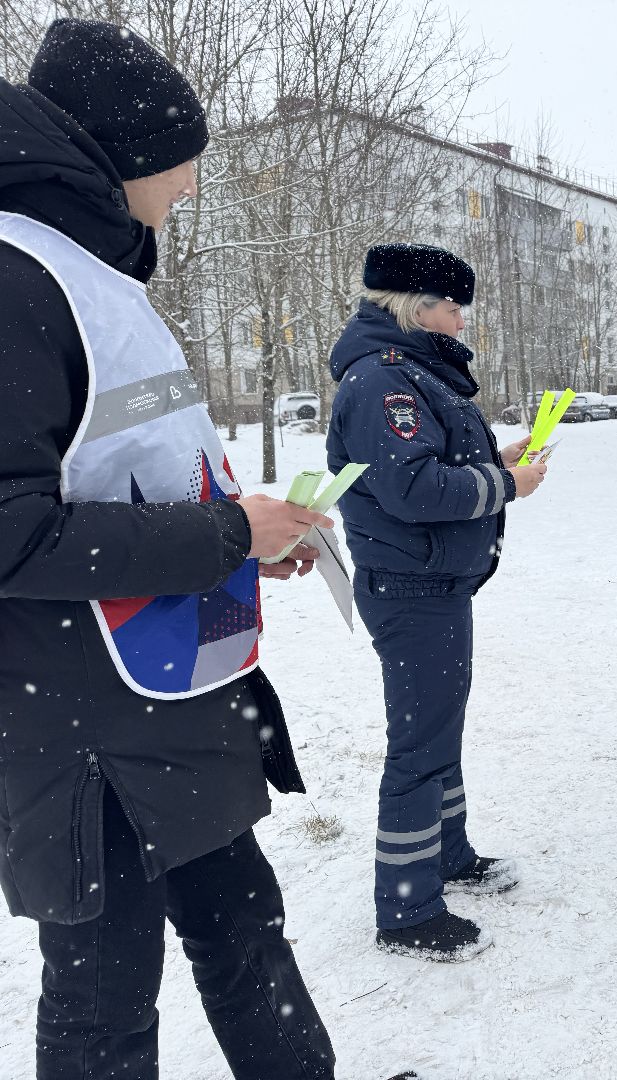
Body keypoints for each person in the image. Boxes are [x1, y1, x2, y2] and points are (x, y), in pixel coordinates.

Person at [0, 20, 336, 1079]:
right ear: (120, 154)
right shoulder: (16, 279)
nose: (191, 183)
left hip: (175, 701)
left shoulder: (94, 276)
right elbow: (11, 532)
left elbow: (126, 469)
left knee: (247, 937)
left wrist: (243, 545)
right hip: (83, 736)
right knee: (103, 1001)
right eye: (182, 158)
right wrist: (228, 533)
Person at [326, 243, 548, 961]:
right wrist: (506, 486)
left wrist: (497, 462)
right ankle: (407, 910)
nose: (461, 318)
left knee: (439, 732)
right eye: (454, 306)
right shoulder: (382, 381)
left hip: (436, 585)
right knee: (419, 747)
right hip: (411, 589)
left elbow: (433, 463)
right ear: (415, 308)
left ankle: (448, 854)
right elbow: (413, 488)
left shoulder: (414, 372)